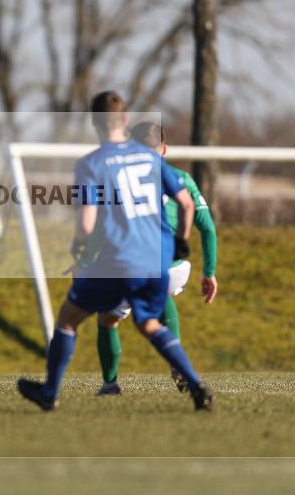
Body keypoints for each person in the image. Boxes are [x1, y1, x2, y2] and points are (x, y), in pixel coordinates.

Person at [17, 91, 213, 412]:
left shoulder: (91, 163)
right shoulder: (151, 157)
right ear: (125, 119)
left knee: (68, 319)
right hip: (154, 262)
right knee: (149, 323)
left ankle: (49, 393)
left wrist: (79, 245)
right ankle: (196, 385)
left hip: (117, 262)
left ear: (93, 122)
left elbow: (86, 223)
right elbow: (186, 203)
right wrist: (181, 241)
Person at [95, 121, 218, 396]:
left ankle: (110, 384)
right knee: (161, 295)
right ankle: (178, 367)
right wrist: (209, 271)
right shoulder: (183, 179)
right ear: (163, 149)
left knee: (107, 319)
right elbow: (208, 227)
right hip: (176, 266)